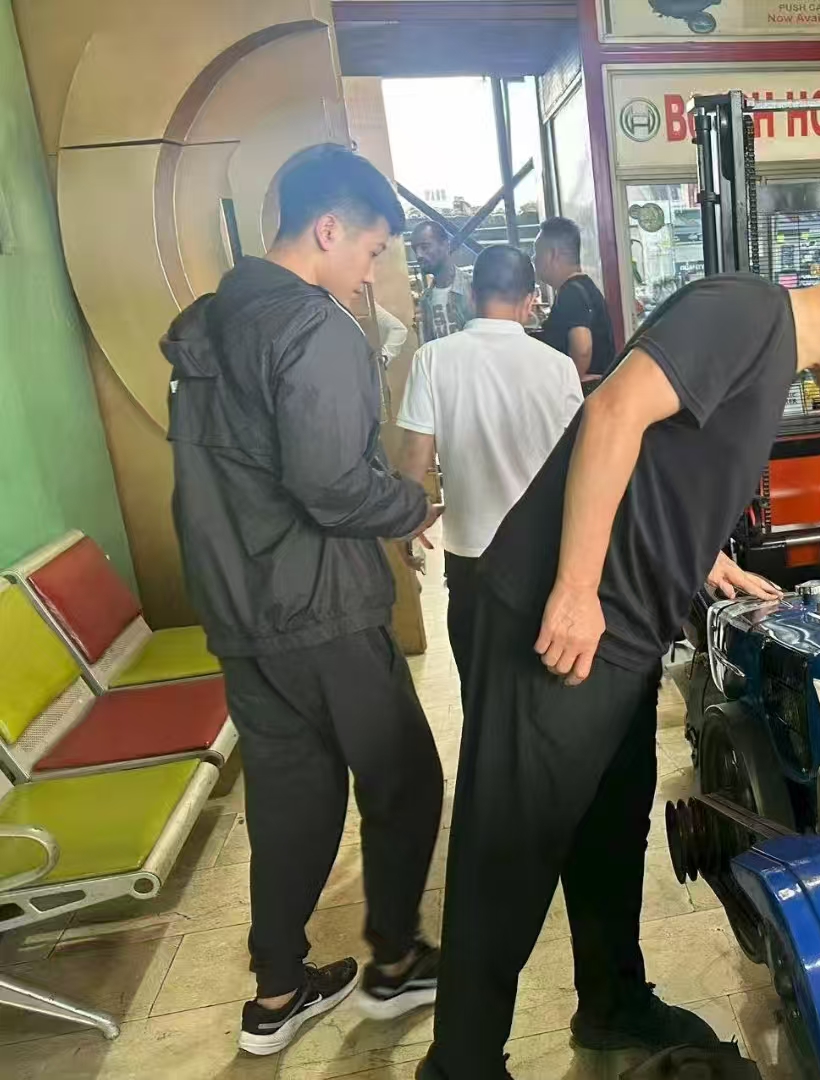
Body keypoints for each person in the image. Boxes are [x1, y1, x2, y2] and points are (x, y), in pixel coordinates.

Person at [420, 257, 820, 1080]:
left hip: (624, 630)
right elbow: (613, 411)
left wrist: (703, 556)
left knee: (609, 826)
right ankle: (460, 1065)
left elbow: (666, 464)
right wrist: (575, 588)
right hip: (563, 622)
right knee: (510, 847)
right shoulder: (746, 311)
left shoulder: (769, 354)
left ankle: (612, 1004)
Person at [162, 144, 446, 1057]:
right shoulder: (313, 326)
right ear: (328, 229)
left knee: (293, 795)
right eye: (371, 252)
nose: (370, 274)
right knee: (405, 778)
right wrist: (412, 506)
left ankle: (277, 991)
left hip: (239, 609)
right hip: (319, 605)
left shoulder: (207, 324)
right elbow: (330, 486)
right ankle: (394, 963)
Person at [396, 245, 583, 705]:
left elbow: (415, 456)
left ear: (472, 295)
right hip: (543, 555)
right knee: (544, 692)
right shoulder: (558, 367)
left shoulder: (433, 359)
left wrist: (404, 522)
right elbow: (580, 465)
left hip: (471, 558)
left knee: (481, 692)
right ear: (529, 300)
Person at [533, 216, 615, 380]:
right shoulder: (584, 286)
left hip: (584, 392)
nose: (534, 259)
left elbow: (583, 349)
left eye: (537, 252)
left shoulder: (571, 293)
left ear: (552, 254)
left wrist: (572, 383)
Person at [411, 220, 475, 342]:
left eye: (425, 247)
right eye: (415, 249)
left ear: (445, 245)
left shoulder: (473, 287)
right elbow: (429, 346)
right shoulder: (426, 300)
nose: (419, 255)